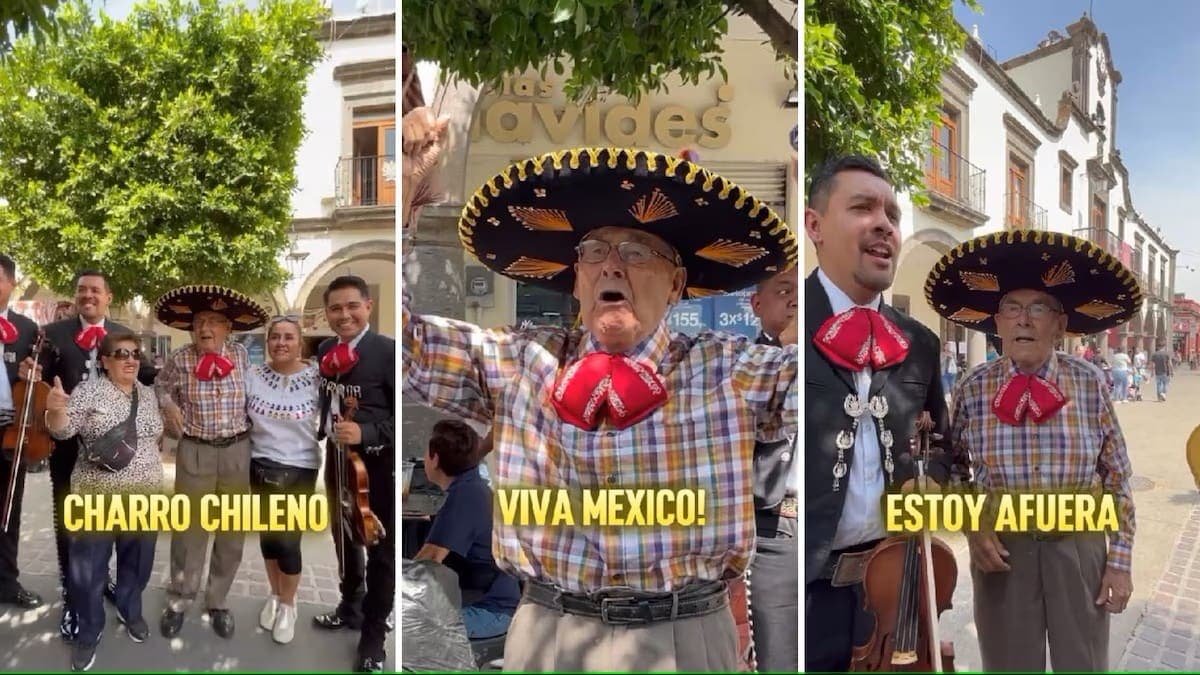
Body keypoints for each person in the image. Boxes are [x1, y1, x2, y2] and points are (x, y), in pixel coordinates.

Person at [402, 124, 797, 670]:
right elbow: (408, 347)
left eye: (637, 251)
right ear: (577, 279)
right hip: (550, 636)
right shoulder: (522, 360)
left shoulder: (730, 367)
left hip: (685, 643)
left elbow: (821, 382)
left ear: (677, 282)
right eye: (593, 252)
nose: (611, 265)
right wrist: (403, 197)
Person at [926, 229, 1138, 671]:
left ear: (1060, 325)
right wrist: (972, 528)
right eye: (1011, 309)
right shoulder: (971, 388)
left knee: (1083, 663)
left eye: (1038, 308)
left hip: (1079, 549)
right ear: (996, 322)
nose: (1024, 320)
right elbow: (956, 472)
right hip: (1001, 550)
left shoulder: (1090, 383)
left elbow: (1117, 477)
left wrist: (1119, 562)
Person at [803, 155, 955, 671]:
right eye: (863, 207)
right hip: (805, 591)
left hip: (895, 585)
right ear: (815, 225)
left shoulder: (921, 342)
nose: (884, 223)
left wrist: (932, 480)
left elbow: (942, 445)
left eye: (892, 212)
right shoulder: (787, 334)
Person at [19, 269, 157, 641]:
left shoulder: (124, 336)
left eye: (96, 290)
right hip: (68, 451)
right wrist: (31, 375)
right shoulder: (54, 334)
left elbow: (143, 379)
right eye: (82, 290)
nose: (88, 295)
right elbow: (42, 381)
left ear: (109, 297)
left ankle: (107, 585)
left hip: (118, 458)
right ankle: (73, 596)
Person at [46, 330, 165, 672]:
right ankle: (89, 630)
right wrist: (55, 411)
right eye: (121, 353)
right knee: (89, 571)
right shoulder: (89, 391)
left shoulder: (147, 393)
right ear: (105, 361)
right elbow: (63, 431)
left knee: (138, 562)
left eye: (134, 354)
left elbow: (154, 436)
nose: (130, 360)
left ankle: (130, 608)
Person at [153, 285, 267, 639]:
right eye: (200, 321)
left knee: (232, 531)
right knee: (189, 531)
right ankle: (180, 598)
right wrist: (168, 405)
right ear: (191, 328)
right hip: (195, 450)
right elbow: (159, 385)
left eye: (215, 321)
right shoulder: (181, 359)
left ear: (228, 328)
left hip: (237, 450)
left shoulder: (244, 357)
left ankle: (218, 600)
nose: (206, 328)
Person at [311, 275, 395, 673]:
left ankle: (374, 636)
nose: (344, 315)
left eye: (351, 306)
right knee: (344, 538)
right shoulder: (327, 349)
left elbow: (405, 420)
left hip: (376, 466)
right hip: (337, 459)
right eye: (335, 308)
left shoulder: (388, 352)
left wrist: (367, 432)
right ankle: (350, 605)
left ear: (368, 307)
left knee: (380, 548)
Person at [245, 315, 321, 644]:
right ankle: (275, 594)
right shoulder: (253, 375)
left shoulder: (317, 376)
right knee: (269, 538)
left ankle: (290, 604)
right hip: (260, 463)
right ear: (267, 343)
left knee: (289, 541)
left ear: (300, 342)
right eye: (275, 337)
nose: (281, 343)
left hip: (300, 467)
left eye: (288, 337)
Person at [413, 419, 520, 640]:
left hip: (490, 610)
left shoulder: (463, 497)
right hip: (488, 598)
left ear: (434, 459)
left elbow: (429, 560)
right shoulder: (474, 487)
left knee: (413, 628)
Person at [746, 266, 798, 673]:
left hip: (835, 528)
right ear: (757, 305)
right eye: (783, 291)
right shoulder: (740, 367)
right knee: (779, 653)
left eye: (800, 291)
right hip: (774, 526)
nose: (795, 299)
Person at [0, 254, 44, 612]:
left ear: (11, 283)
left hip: (9, 431)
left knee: (8, 511)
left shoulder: (28, 330)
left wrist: (32, 374)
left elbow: (35, 379)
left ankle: (7, 582)